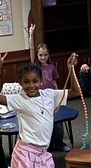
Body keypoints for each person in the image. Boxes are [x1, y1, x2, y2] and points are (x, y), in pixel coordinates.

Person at [28, 24, 69, 152]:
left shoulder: (52, 67)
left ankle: (59, 143)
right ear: (37, 56)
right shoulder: (35, 67)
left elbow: (55, 83)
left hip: (52, 96)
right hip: (40, 97)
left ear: (48, 55)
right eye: (40, 55)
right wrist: (31, 35)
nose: (43, 57)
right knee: (45, 120)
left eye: (45, 55)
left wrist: (59, 97)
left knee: (58, 120)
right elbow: (31, 49)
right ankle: (48, 144)